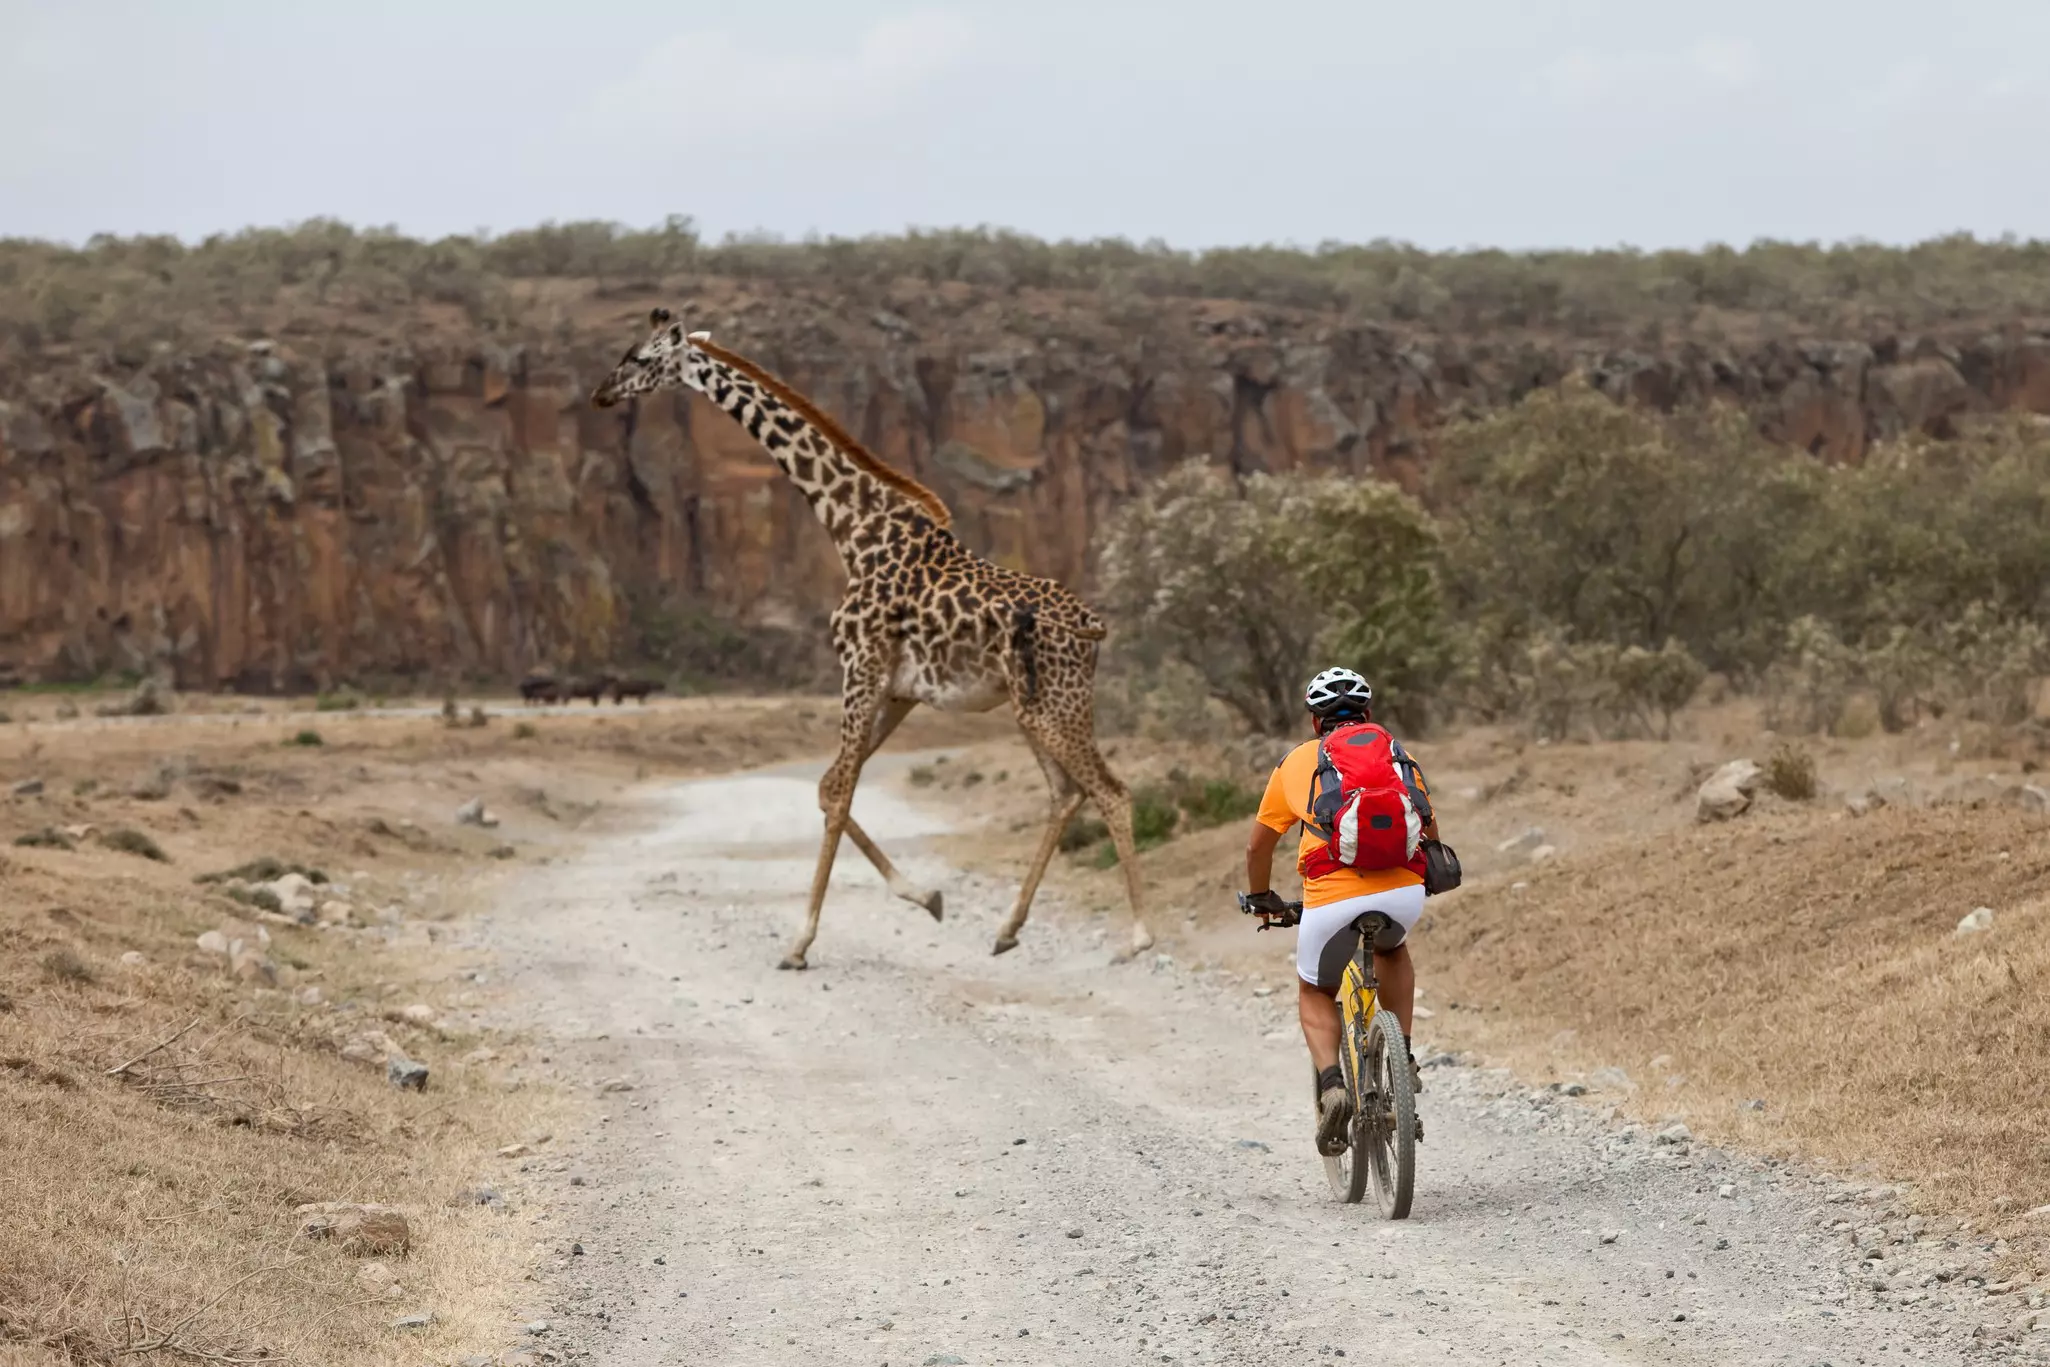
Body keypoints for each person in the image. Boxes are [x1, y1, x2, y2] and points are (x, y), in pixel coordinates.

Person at [1242, 667, 1437, 1153]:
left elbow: (1258, 848)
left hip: (1331, 899)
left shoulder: (1296, 763)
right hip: (1401, 893)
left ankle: (1332, 1087)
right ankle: (1403, 1056)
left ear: (1314, 722)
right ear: (1368, 716)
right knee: (1394, 951)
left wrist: (1263, 896)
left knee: (1315, 988)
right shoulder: (1398, 754)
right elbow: (1430, 831)